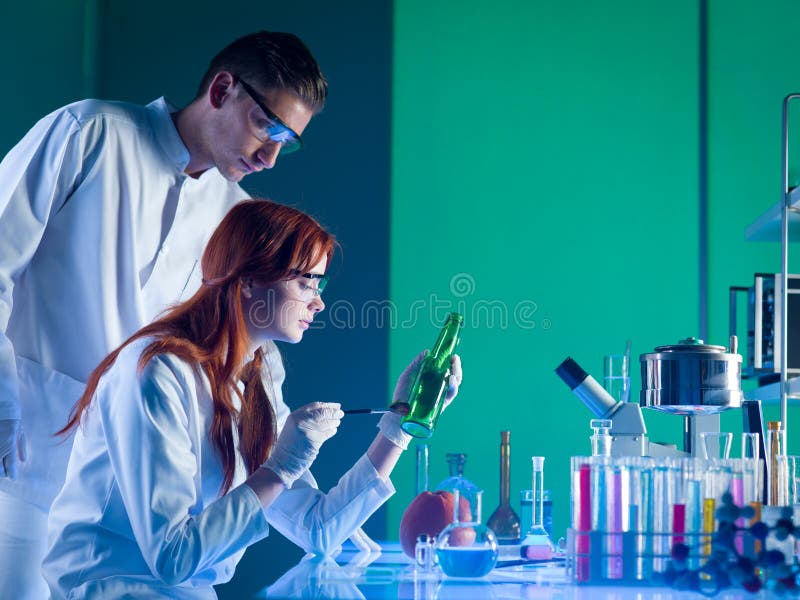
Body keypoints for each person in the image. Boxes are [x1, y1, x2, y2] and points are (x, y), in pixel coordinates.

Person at [0, 31, 327, 598]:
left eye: (287, 142)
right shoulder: (89, 133)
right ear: (222, 88)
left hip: (127, 502)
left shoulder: (235, 214)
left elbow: (230, 350)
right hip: (22, 456)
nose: (270, 157)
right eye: (266, 127)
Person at [42, 199, 463, 598]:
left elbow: (318, 530)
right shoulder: (156, 371)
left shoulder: (258, 370)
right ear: (247, 281)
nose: (319, 302)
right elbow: (172, 557)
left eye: (320, 284)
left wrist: (400, 423)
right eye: (305, 282)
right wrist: (279, 468)